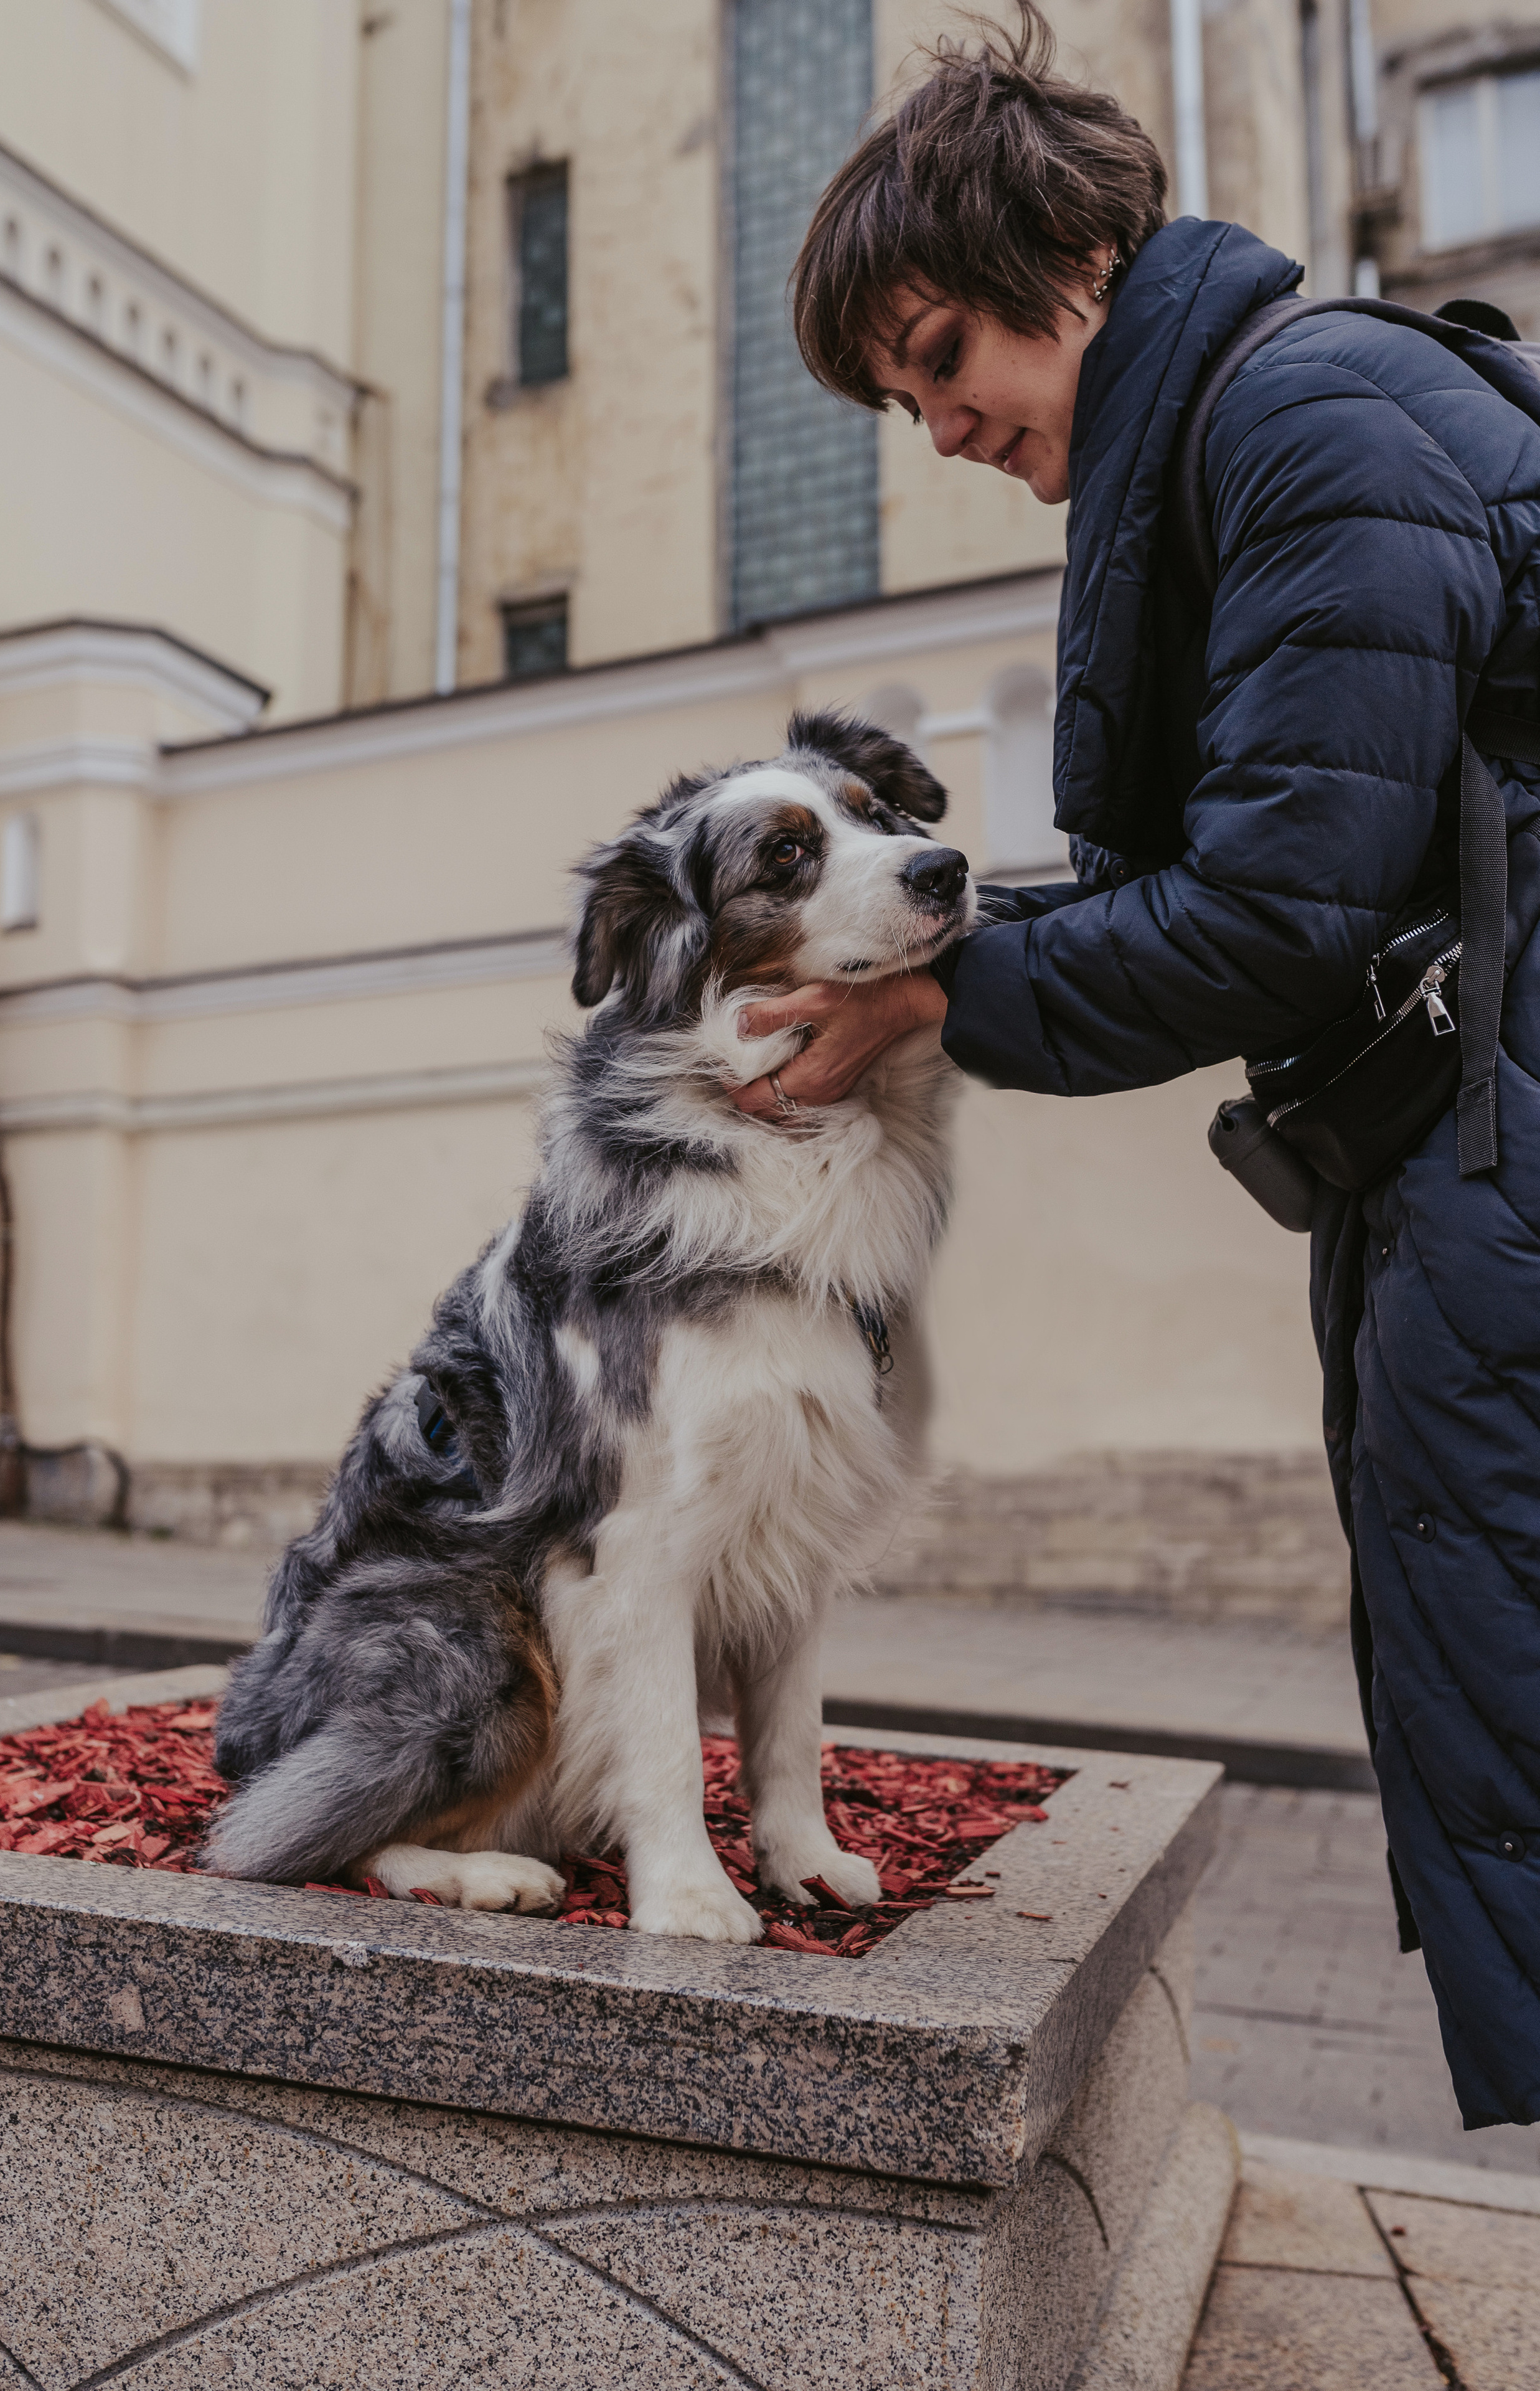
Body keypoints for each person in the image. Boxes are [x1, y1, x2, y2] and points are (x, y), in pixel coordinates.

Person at [733, 7, 1540, 2134]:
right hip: (1455, 1160)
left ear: (1065, 266)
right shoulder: (1236, 450)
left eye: (938, 358)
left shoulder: (1314, 426)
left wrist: (925, 1003)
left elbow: (1277, 912)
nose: (938, 425)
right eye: (901, 392)